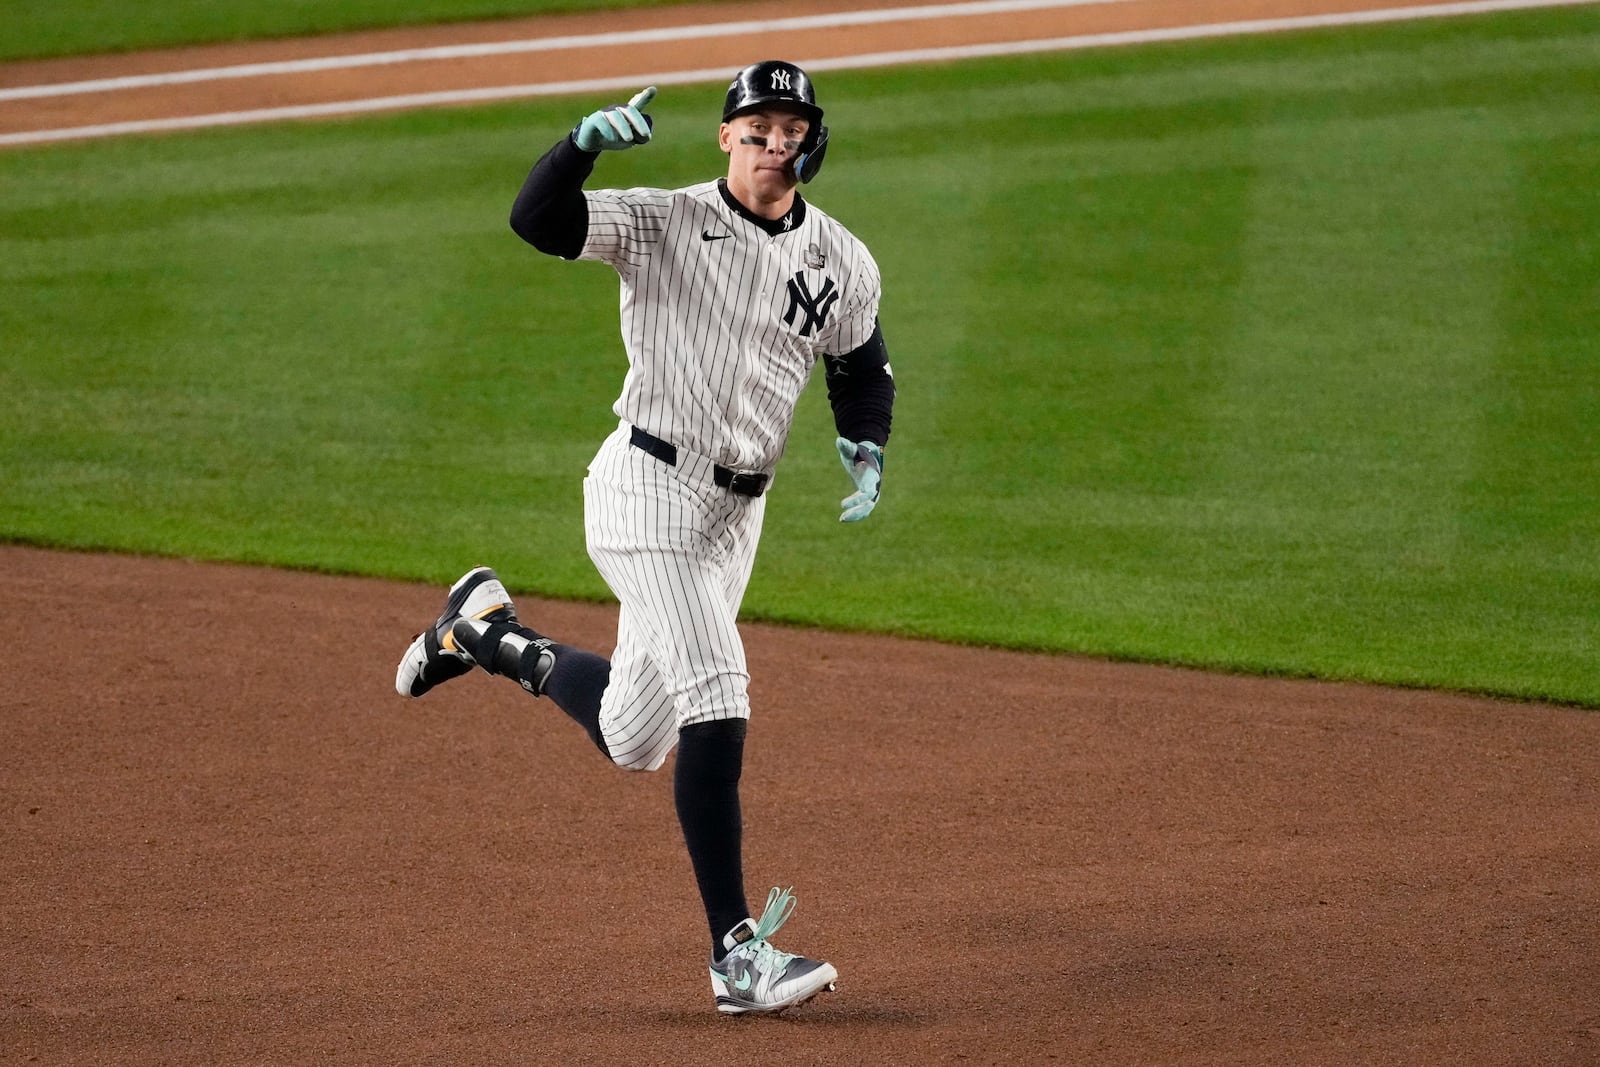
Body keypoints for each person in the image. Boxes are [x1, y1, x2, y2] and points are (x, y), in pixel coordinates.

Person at [394, 60, 895, 1016]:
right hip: (644, 488)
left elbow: (862, 362)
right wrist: (577, 148)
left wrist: (866, 443)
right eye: (757, 127)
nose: (774, 143)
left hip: (734, 517)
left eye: (791, 127)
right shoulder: (662, 218)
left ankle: (484, 631)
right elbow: (538, 222)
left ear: (812, 138)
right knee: (720, 685)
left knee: (634, 735)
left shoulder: (843, 258)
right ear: (725, 137)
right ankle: (735, 958)